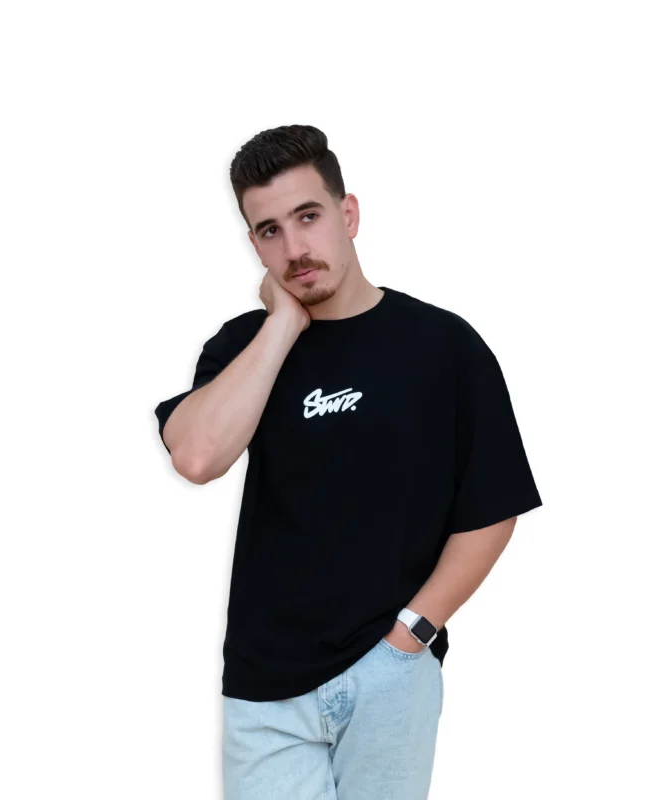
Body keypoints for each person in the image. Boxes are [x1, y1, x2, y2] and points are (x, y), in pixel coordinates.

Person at [154, 124, 543, 800]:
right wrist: (283, 324)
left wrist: (409, 636)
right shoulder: (244, 346)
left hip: (390, 672)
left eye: (308, 217)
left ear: (349, 213)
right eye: (270, 230)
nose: (294, 248)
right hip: (266, 691)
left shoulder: (444, 346)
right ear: (254, 245)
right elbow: (196, 455)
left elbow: (492, 506)